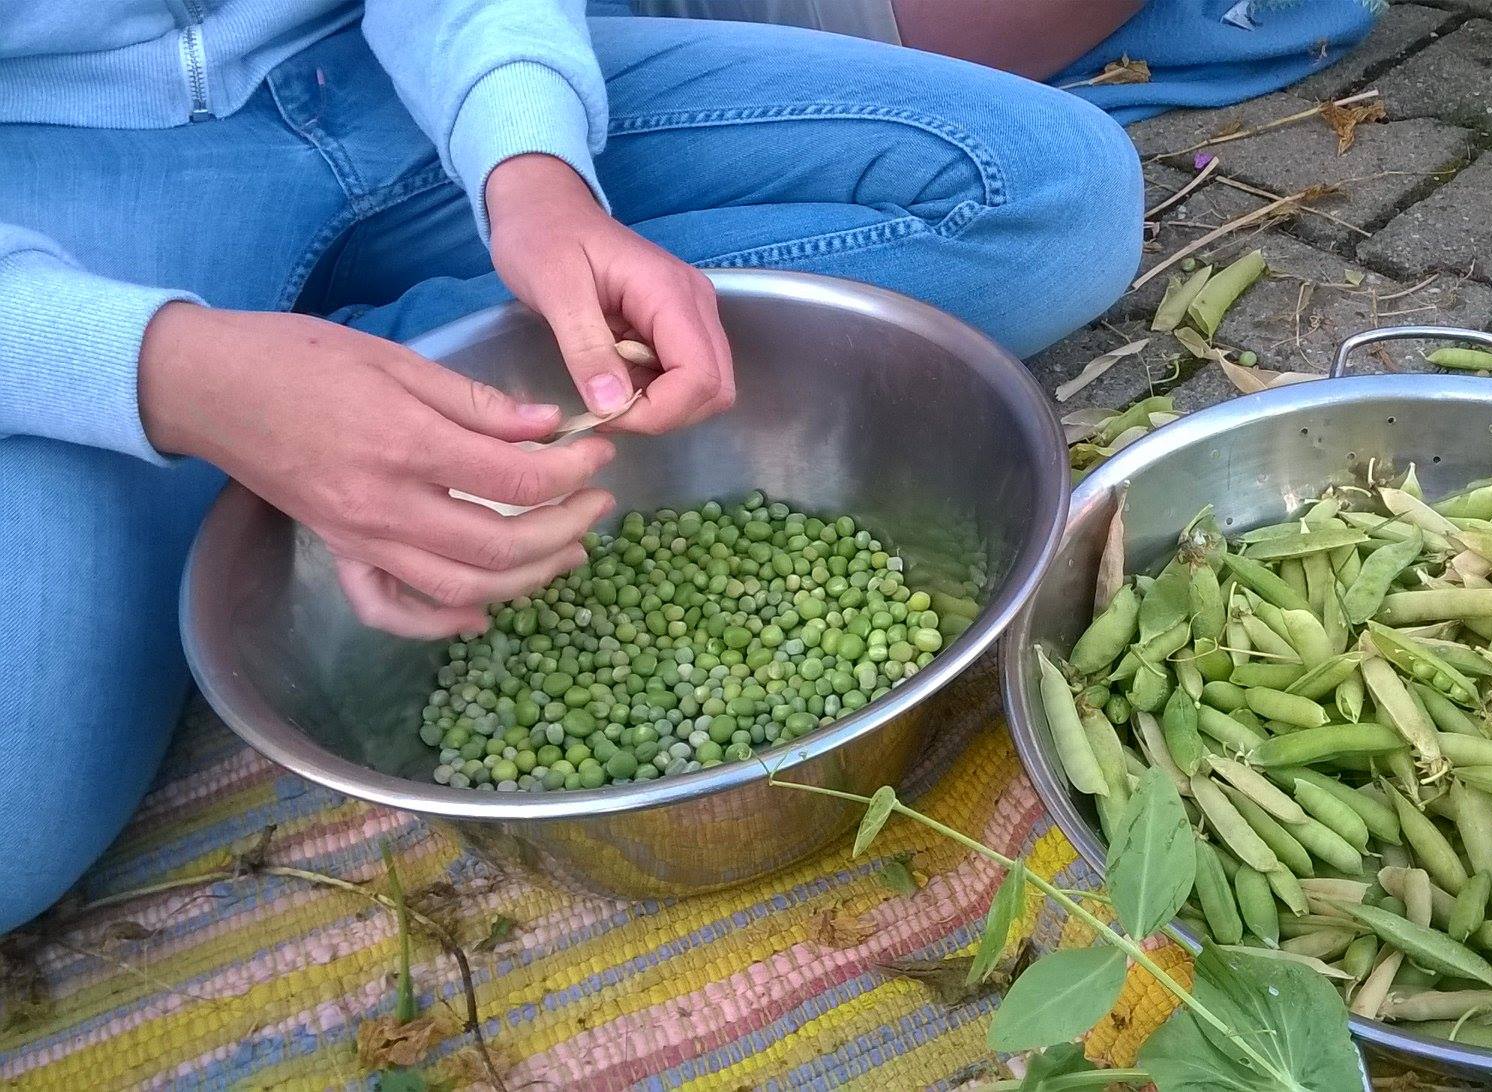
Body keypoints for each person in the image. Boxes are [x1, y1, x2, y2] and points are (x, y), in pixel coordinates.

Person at [0, 0, 1386, 934]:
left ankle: (381, 374)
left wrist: (536, 165)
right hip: (52, 191)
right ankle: (286, 407)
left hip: (379, 67)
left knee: (1044, 196)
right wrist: (161, 371)